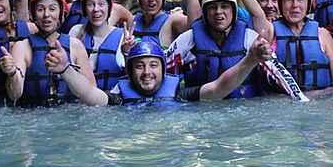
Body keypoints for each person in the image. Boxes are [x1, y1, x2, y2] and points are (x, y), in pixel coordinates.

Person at [54, 38, 272, 106]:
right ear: (130, 71)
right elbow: (89, 94)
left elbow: (219, 87)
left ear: (163, 69)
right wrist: (65, 69)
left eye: (153, 65)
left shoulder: (178, 93)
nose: (147, 72)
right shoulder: (120, 97)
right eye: (139, 66)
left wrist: (250, 59)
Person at [166, 0, 274, 98]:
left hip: (245, 106)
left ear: (234, 12)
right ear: (205, 13)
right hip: (199, 107)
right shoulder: (188, 39)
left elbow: (279, 75)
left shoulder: (250, 39)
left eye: (224, 7)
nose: (218, 12)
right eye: (212, 7)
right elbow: (163, 71)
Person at [1, 0, 95, 107]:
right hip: (33, 117)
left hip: (69, 116)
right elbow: (14, 95)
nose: (46, 15)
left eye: (52, 9)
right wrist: (12, 73)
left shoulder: (75, 45)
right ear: (33, 14)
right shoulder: (21, 47)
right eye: (40, 9)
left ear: (61, 12)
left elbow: (92, 93)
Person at [272, 0, 333, 94]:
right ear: (280, 5)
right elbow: (256, 15)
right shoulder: (271, 32)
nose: (295, 5)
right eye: (288, 0)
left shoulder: (323, 34)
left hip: (320, 101)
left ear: (308, 4)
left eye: (300, 0)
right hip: (282, 103)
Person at [69, 0, 128, 92]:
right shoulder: (75, 32)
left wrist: (127, 53)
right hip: (81, 102)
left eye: (101, 4)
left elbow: (132, 77)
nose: (96, 9)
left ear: (109, 8)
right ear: (84, 9)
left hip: (113, 102)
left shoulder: (123, 37)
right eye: (90, 4)